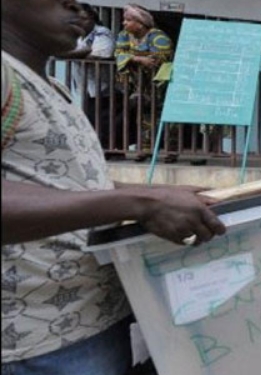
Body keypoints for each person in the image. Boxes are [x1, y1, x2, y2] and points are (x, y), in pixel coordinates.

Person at [1, 1, 226, 374]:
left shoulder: (52, 86)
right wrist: (137, 202)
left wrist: (163, 195)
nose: (80, 8)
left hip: (94, 322)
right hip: (37, 343)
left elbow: (70, 183)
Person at [114, 4, 175, 163]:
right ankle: (145, 149)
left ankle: (171, 150)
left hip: (161, 83)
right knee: (144, 116)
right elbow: (118, 53)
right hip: (140, 85)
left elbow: (157, 60)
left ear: (140, 23)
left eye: (128, 20)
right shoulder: (124, 35)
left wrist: (133, 58)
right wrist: (138, 59)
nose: (124, 24)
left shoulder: (158, 37)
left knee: (167, 117)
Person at [59, 3, 120, 160]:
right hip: (86, 87)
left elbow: (100, 55)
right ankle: (98, 151)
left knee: (105, 121)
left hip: (105, 88)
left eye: (83, 19)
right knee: (91, 120)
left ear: (92, 17)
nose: (80, 22)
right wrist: (79, 52)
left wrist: (74, 54)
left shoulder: (102, 33)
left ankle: (109, 151)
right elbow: (63, 50)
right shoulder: (79, 36)